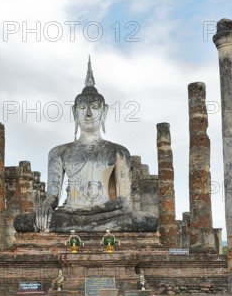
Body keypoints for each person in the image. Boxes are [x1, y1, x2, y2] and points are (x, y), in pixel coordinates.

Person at [14, 58, 157, 233]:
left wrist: (95, 211)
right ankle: (90, 228)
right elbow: (53, 196)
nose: (88, 114)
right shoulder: (59, 152)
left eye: (95, 107)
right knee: (21, 222)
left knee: (147, 221)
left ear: (104, 112)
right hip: (70, 214)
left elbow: (124, 201)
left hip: (105, 214)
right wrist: (44, 206)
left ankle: (82, 229)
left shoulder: (118, 152)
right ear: (75, 112)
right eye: (82, 107)